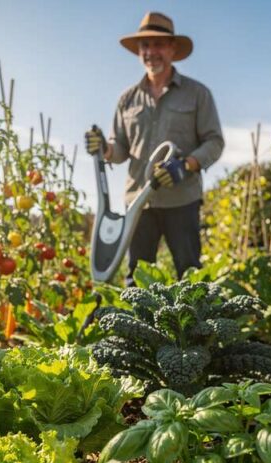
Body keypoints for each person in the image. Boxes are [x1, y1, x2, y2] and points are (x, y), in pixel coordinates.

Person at [85, 12, 224, 284]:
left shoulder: (197, 94)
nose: (151, 52)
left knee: (190, 275)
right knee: (137, 278)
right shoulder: (127, 99)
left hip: (181, 200)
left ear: (172, 48)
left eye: (158, 44)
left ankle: (193, 327)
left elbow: (214, 142)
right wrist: (104, 148)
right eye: (145, 45)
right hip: (139, 202)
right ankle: (134, 327)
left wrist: (186, 165)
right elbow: (121, 147)